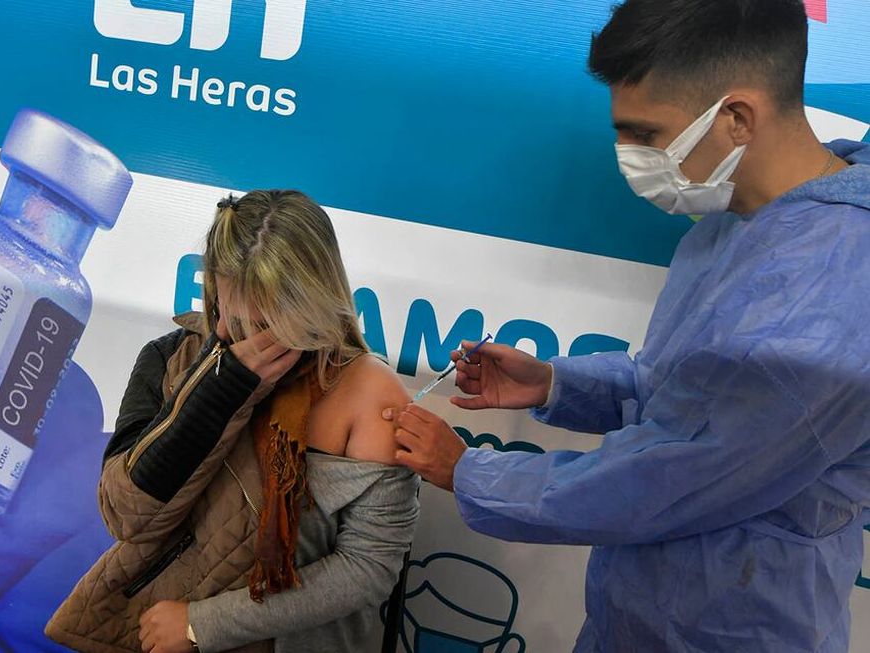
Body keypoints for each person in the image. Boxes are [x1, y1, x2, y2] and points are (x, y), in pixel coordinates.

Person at [384, 1, 870, 651]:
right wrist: (558, 383)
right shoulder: (731, 222)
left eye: (645, 135)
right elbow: (681, 389)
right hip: (638, 619)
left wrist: (471, 472)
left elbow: (673, 472)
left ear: (736, 118)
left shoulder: (831, 292)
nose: (628, 156)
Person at [46, 190, 418, 653]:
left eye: (283, 318)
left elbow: (367, 571)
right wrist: (220, 386)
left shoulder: (371, 394)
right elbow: (124, 516)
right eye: (244, 320)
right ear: (216, 289)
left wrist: (203, 624)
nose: (264, 337)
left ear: (319, 298)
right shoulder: (169, 358)